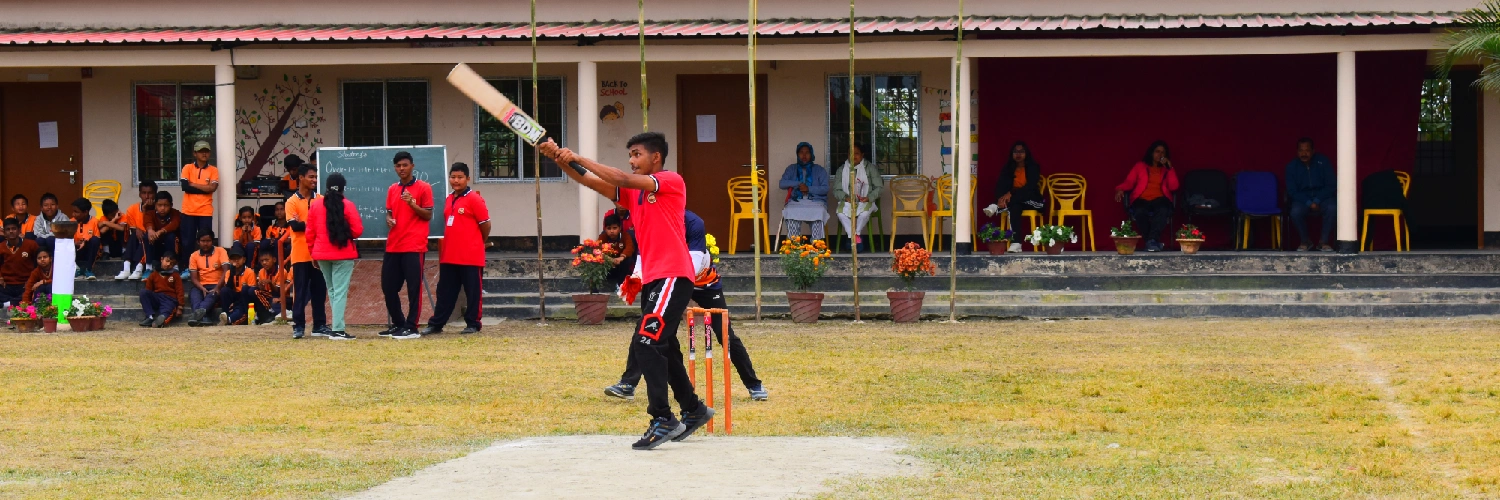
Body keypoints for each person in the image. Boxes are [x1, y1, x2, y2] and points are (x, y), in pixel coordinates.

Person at [541, 132, 715, 451]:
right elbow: (591, 181)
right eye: (630, 155)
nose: (632, 161)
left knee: (646, 343)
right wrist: (559, 159)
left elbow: (619, 177)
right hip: (654, 279)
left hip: (674, 275)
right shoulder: (633, 195)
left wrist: (576, 155)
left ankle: (662, 418)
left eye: (637, 154)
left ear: (656, 157)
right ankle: (693, 409)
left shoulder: (670, 181)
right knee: (664, 347)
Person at [604, 209, 769, 402]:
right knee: (649, 326)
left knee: (725, 334)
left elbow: (694, 264)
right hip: (670, 280)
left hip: (702, 281)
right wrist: (636, 278)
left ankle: (754, 384)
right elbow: (643, 256)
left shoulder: (693, 222)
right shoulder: (652, 220)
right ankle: (628, 384)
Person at [421, 163, 488, 336]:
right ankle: (436, 324)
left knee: (473, 292)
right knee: (445, 292)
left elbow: (486, 224)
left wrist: (478, 242)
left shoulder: (474, 199)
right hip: (449, 254)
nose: (456, 181)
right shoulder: (449, 198)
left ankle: (473, 324)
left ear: (467, 179)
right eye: (453, 177)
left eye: (460, 177)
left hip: (470, 255)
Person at [381, 151, 434, 339]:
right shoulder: (392, 189)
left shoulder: (424, 187)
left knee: (413, 288)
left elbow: (428, 215)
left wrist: (412, 204)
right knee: (388, 287)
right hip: (394, 244)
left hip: (414, 245)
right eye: (398, 166)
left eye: (405, 165)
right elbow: (389, 211)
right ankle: (399, 323)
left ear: (412, 166)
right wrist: (389, 219)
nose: (401, 169)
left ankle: (412, 326)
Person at [305, 173, 362, 340]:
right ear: (343, 188)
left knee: (332, 290)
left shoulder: (315, 205)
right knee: (340, 291)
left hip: (321, 254)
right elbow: (357, 231)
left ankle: (337, 327)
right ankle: (338, 329)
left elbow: (309, 233)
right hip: (343, 253)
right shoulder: (348, 205)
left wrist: (313, 253)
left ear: (327, 187)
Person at [285, 163, 329, 339]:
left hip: (318, 253)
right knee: (300, 292)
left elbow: (324, 224)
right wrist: (313, 223)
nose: (314, 180)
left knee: (320, 291)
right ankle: (298, 326)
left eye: (316, 177)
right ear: (301, 178)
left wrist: (304, 223)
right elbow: (294, 227)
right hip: (300, 254)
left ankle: (319, 325)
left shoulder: (321, 199)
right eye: (311, 177)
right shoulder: (291, 201)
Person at [1114, 140, 1181, 252]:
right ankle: (1152, 242)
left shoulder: (1166, 169)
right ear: (1151, 152)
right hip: (1141, 198)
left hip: (1160, 198)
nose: (1160, 155)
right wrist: (1120, 189)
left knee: (1163, 209)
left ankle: (1151, 241)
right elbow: (1129, 182)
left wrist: (1170, 168)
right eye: (1157, 151)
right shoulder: (1140, 166)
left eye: (1163, 152)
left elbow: (1174, 187)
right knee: (1139, 211)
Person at [1285, 137, 1337, 252]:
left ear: (1313, 151)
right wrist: (1309, 202)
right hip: (1302, 199)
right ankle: (1305, 241)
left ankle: (1324, 242)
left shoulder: (1323, 162)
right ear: (1297, 152)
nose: (1304, 154)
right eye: (1301, 150)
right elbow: (1292, 191)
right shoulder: (1291, 166)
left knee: (1332, 208)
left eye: (1307, 150)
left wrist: (1317, 200)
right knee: (1295, 212)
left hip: (1323, 197)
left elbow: (1331, 185)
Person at [832, 143, 884, 253]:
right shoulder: (842, 169)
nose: (853, 156)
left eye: (856, 153)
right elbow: (836, 190)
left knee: (864, 214)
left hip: (866, 201)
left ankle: (853, 237)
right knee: (840, 213)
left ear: (862, 155)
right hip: (848, 201)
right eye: (850, 153)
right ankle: (855, 237)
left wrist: (868, 197)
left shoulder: (870, 168)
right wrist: (845, 197)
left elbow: (879, 187)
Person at [995, 141, 1046, 252]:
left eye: (1021, 151)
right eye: (1015, 152)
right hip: (1015, 202)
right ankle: (1016, 243)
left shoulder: (1033, 167)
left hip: (1032, 200)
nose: (1018, 154)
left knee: (1016, 200)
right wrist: (1001, 198)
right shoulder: (1008, 168)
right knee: (1014, 207)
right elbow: (1001, 185)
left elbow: (1030, 187)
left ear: (1026, 153)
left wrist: (1011, 194)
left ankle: (995, 207)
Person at [778, 142, 831, 242]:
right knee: (790, 211)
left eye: (807, 152)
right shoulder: (791, 169)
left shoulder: (819, 170)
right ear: (797, 154)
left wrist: (808, 189)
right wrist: (798, 183)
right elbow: (782, 184)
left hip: (816, 201)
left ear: (811, 154)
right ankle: (795, 244)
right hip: (796, 200)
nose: (804, 155)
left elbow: (825, 188)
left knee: (819, 212)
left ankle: (816, 244)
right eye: (801, 152)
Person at [112, 181, 157, 280]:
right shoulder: (132, 209)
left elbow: (153, 228)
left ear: (155, 194)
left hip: (154, 241)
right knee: (133, 236)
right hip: (137, 239)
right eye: (144, 193)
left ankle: (138, 268)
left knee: (146, 237)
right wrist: (136, 229)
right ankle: (126, 268)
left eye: (150, 193)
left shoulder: (159, 208)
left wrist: (146, 210)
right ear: (139, 194)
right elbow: (133, 229)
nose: (147, 196)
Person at [179, 141, 220, 249]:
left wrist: (193, 184)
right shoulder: (187, 168)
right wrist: (206, 188)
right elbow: (185, 187)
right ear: (195, 153)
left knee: (206, 242)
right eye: (201, 151)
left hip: (205, 211)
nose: (204, 154)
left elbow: (213, 188)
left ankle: (205, 260)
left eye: (206, 151)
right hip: (188, 211)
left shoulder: (213, 170)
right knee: (187, 242)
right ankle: (188, 260)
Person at [185, 230, 227, 327]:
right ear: (198, 242)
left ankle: (197, 316)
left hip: (217, 284)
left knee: (212, 295)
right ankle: (203, 317)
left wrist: (217, 287)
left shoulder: (221, 251)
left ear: (212, 241)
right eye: (203, 241)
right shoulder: (194, 255)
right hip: (201, 285)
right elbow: (194, 278)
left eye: (208, 241)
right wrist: (202, 288)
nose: (205, 244)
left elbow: (226, 271)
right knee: (194, 294)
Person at [137, 251, 182, 328]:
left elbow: (180, 290)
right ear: (161, 259)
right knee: (143, 292)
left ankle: (161, 320)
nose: (168, 264)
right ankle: (150, 317)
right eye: (167, 261)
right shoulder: (153, 274)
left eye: (172, 264)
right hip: (157, 297)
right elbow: (148, 290)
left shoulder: (175, 275)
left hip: (169, 299)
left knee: (167, 310)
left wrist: (180, 307)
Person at [0, 218, 40, 306]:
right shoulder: (1, 247)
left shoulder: (31, 245)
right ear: (4, 232)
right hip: (7, 285)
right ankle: (14, 303)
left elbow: (39, 264)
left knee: (36, 291)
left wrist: (31, 280)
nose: (11, 231)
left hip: (25, 284)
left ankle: (7, 304)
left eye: (13, 229)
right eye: (8, 229)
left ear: (19, 230)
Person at [215, 247, 258, 326]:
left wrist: (236, 303)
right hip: (235, 295)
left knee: (244, 290)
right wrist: (232, 273)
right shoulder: (229, 272)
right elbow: (229, 287)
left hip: (245, 298)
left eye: (238, 258)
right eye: (233, 259)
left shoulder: (249, 272)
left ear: (244, 260)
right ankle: (225, 314)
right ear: (230, 261)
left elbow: (251, 291)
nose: (236, 261)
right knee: (224, 290)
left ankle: (228, 319)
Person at [145, 191, 182, 280]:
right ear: (155, 205)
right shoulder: (150, 213)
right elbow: (148, 222)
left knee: (171, 236)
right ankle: (148, 268)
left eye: (166, 205)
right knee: (147, 236)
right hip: (156, 248)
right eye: (159, 205)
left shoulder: (176, 213)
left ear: (171, 205)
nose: (162, 208)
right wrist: (150, 230)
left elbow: (175, 224)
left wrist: (161, 231)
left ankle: (174, 266)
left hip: (170, 248)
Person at [600, 212, 637, 288]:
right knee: (596, 259)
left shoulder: (625, 236)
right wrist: (609, 259)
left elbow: (630, 247)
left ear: (620, 228)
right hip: (608, 265)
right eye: (609, 228)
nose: (612, 231)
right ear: (605, 229)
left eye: (614, 228)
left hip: (621, 264)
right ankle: (598, 286)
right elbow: (597, 250)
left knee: (628, 259)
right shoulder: (603, 237)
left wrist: (621, 258)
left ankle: (621, 284)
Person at [68, 198, 102, 280]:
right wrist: (75, 243)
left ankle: (88, 269)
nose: (73, 214)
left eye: (76, 212)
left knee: (95, 240)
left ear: (85, 212)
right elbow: (68, 239)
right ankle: (76, 269)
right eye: (73, 211)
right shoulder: (71, 222)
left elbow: (96, 238)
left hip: (89, 251)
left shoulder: (94, 221)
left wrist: (85, 241)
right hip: (76, 250)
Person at [253, 252, 287, 323]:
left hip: (279, 295)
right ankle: (262, 314)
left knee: (257, 292)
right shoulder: (261, 271)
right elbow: (262, 290)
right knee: (253, 291)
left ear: (274, 260)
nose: (264, 263)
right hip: (268, 294)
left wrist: (270, 283)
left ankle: (270, 311)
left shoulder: (281, 271)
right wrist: (260, 285)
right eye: (262, 261)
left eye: (267, 260)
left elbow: (278, 291)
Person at [262, 201, 291, 265]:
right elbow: (267, 240)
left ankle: (278, 266)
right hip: (273, 248)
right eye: (277, 210)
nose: (279, 212)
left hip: (285, 248)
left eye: (282, 209)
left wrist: (279, 240)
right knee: (264, 243)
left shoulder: (290, 227)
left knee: (277, 242)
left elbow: (291, 240)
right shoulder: (271, 227)